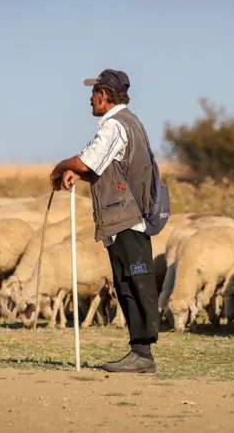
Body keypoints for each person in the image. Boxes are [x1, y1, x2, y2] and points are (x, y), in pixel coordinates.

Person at [49, 68, 160, 374]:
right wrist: (78, 174)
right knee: (126, 283)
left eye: (94, 92)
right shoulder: (129, 122)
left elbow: (87, 161)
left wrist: (61, 167)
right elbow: (104, 168)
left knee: (134, 283)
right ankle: (139, 352)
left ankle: (142, 353)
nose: (90, 98)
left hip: (127, 217)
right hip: (125, 217)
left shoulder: (115, 126)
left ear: (104, 95)